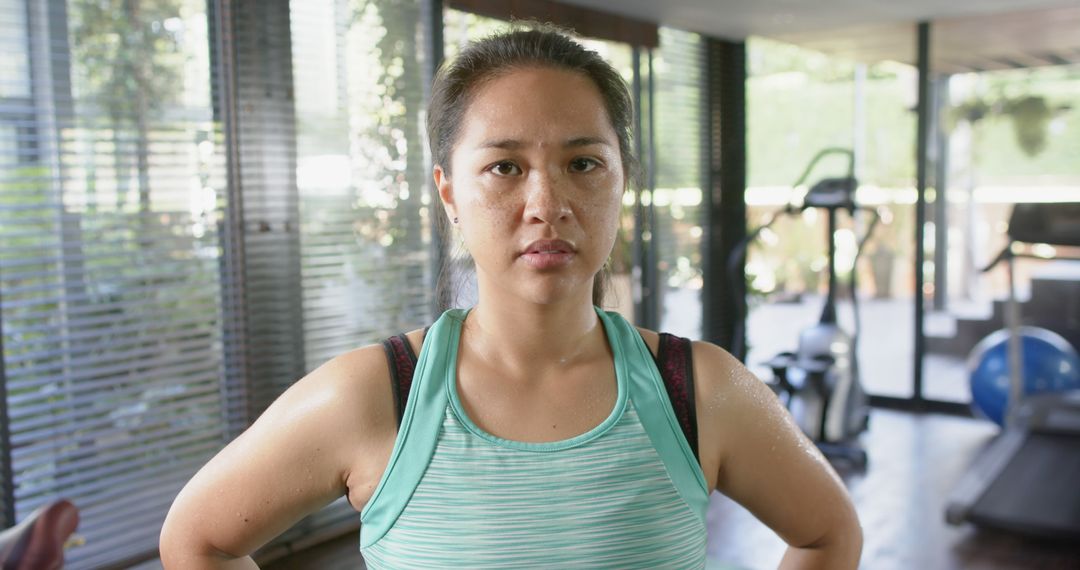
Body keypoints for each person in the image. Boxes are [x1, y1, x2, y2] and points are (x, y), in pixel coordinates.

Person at [160, 24, 862, 569]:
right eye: (504, 167)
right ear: (449, 194)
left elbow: (830, 531)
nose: (546, 203)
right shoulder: (374, 396)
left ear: (623, 181)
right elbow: (198, 540)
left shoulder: (699, 391)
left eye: (583, 163)